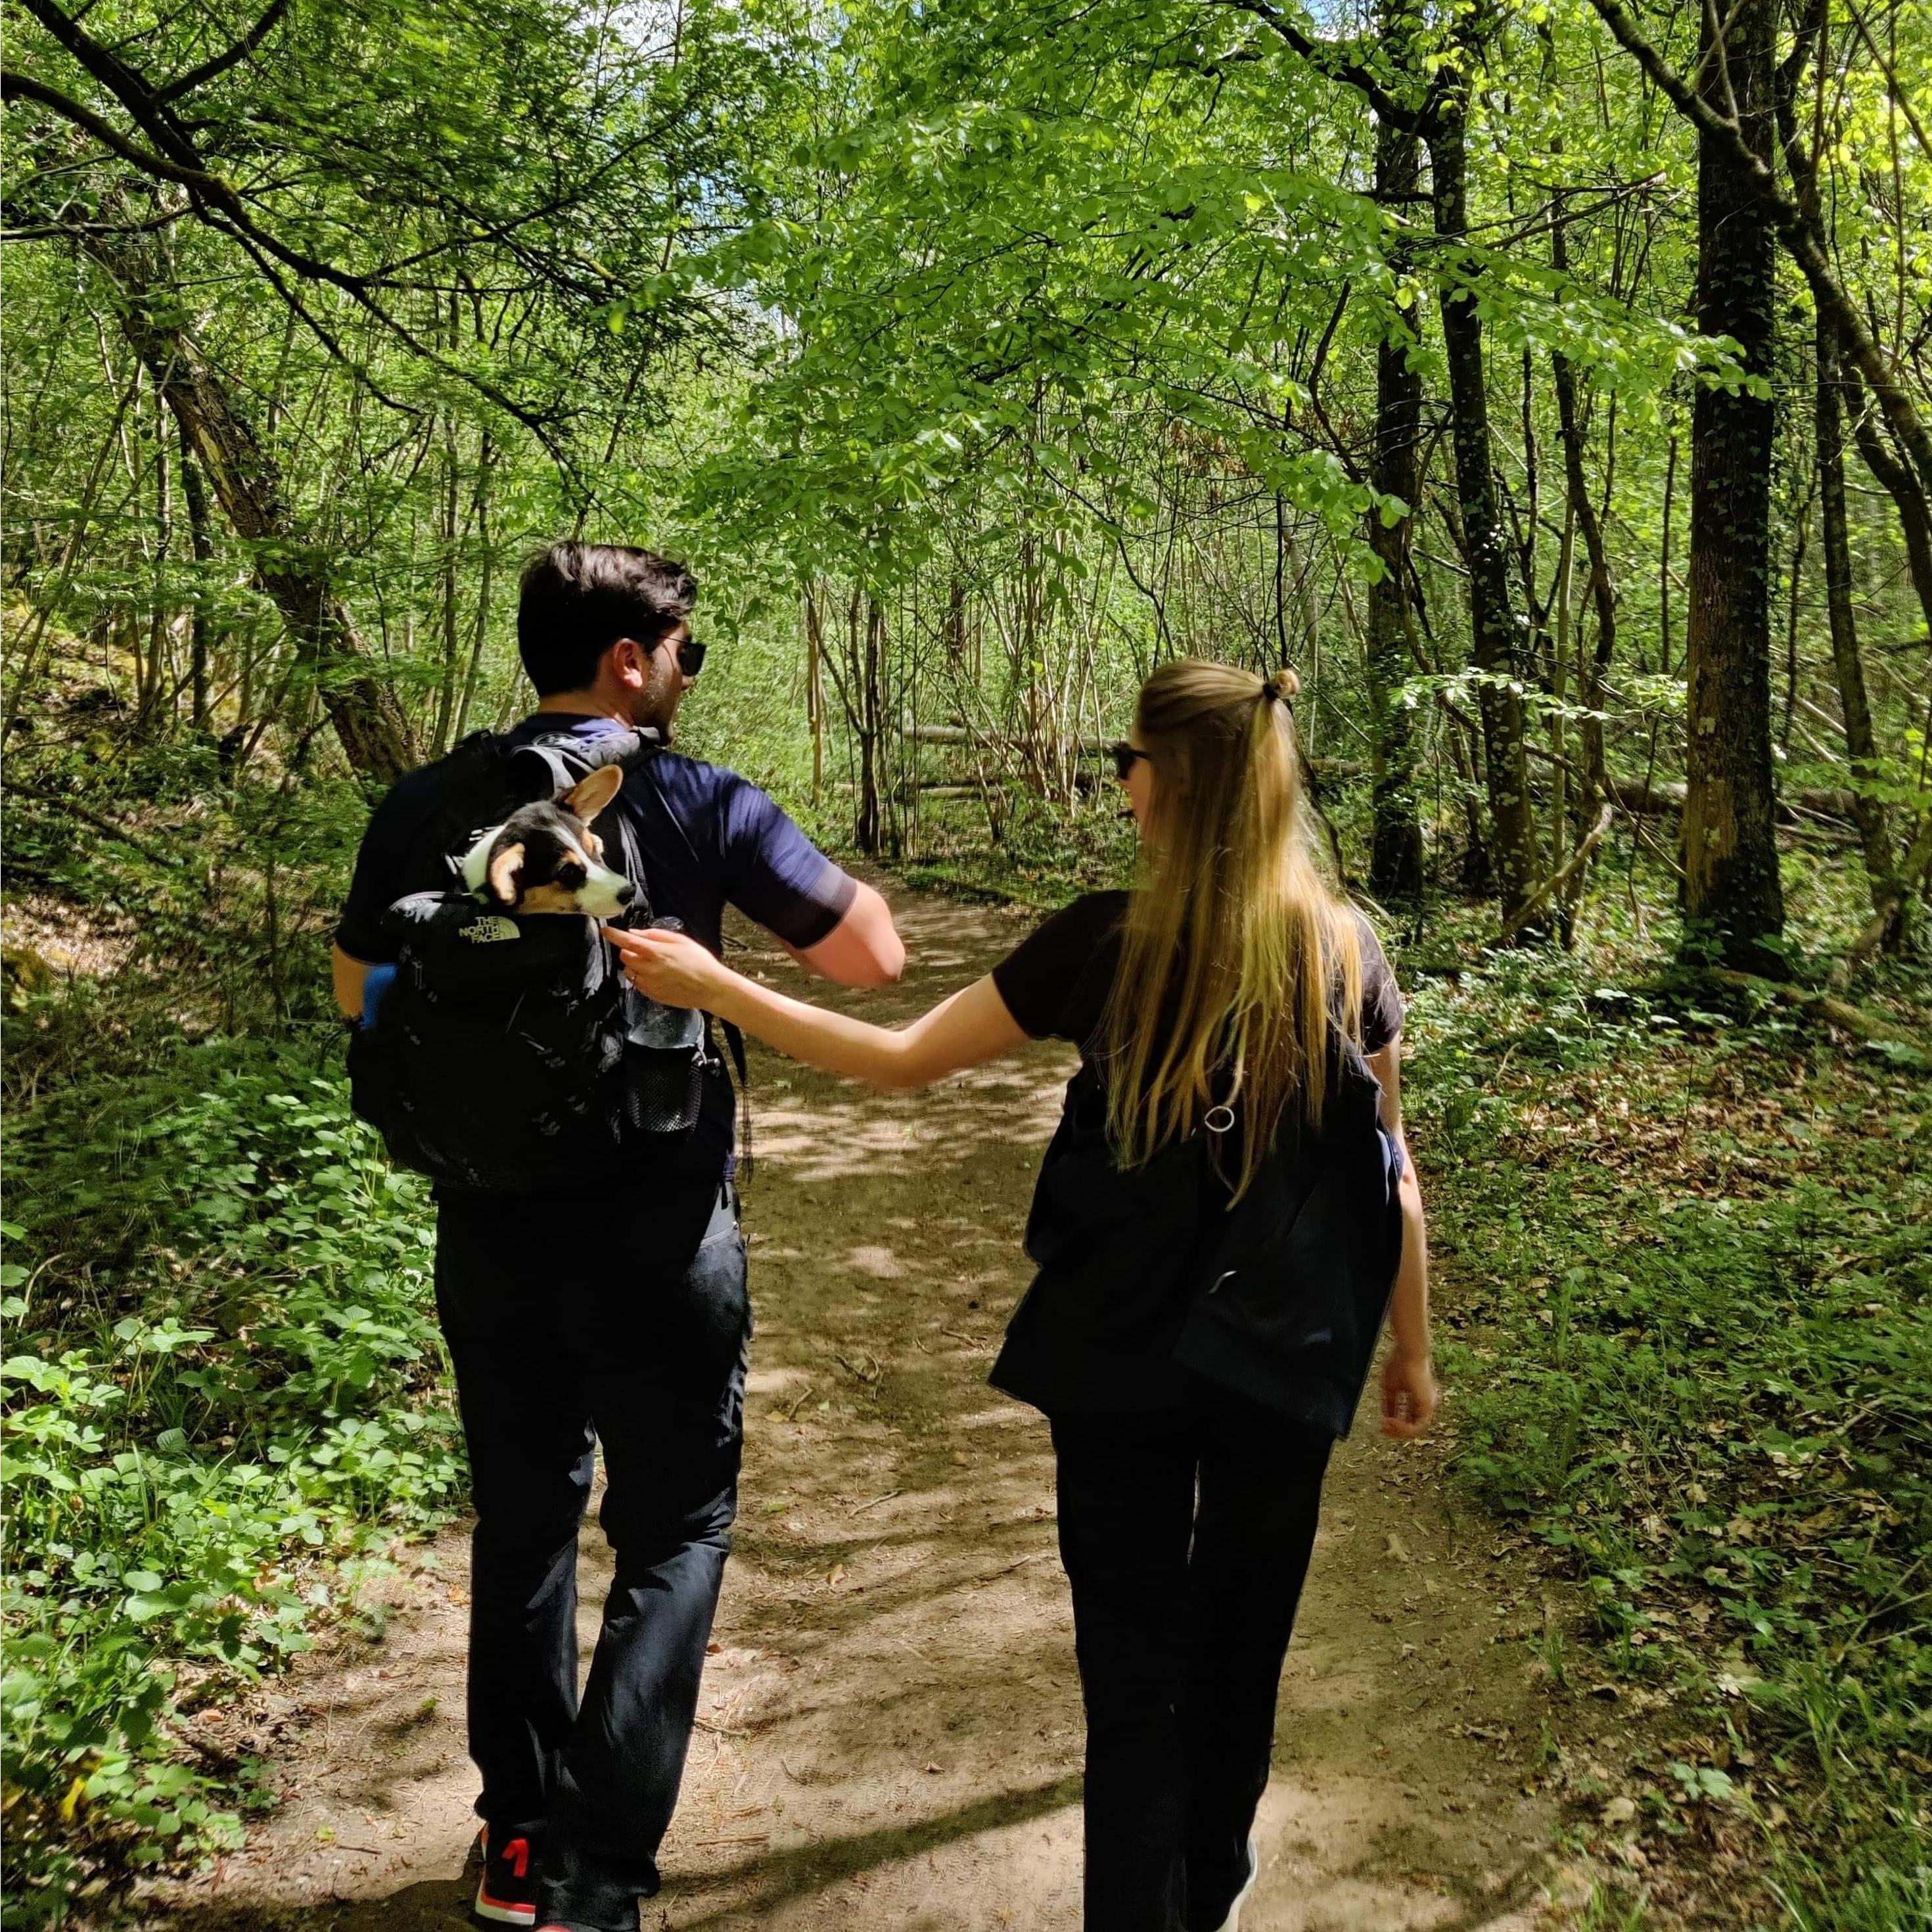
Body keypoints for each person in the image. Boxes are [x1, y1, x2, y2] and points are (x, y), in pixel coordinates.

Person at [607, 658, 1436, 1932]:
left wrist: (719, 988)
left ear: (1173, 787)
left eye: (1127, 764)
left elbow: (895, 1064)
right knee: (1242, 1648)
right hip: (1284, 1362)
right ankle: (1205, 1878)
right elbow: (1393, 1175)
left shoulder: (1106, 943)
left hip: (1117, 1363)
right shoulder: (1345, 950)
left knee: (1132, 1673)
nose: (1118, 786)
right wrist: (1407, 1353)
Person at [331, 542, 906, 1932]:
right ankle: (596, 1869)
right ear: (631, 661)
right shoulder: (698, 800)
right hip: (659, 1227)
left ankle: (519, 1841)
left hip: (489, 1225)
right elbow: (872, 958)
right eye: (686, 652)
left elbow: (359, 989)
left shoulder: (425, 803)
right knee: (677, 1526)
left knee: (524, 1519)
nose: (688, 675)